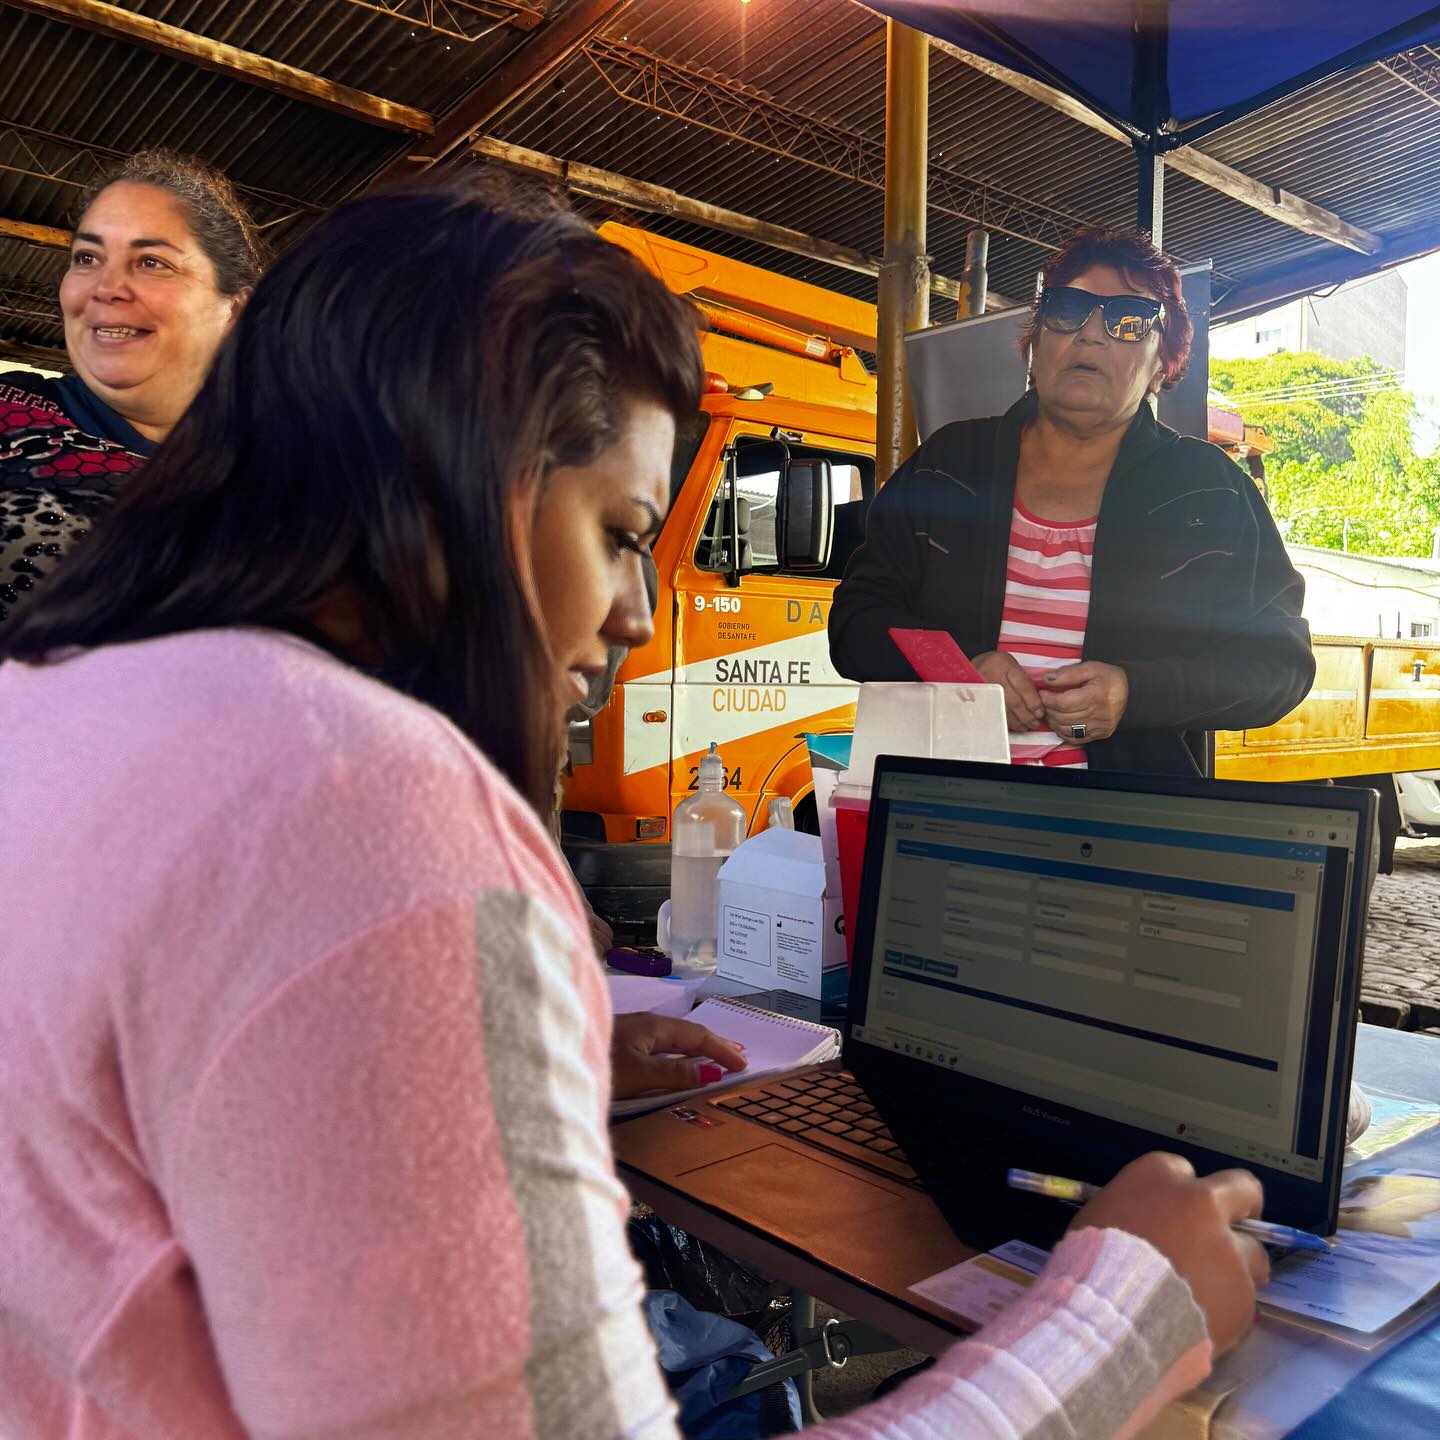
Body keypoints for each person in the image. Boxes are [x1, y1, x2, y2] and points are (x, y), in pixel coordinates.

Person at [0, 181, 1267, 1439]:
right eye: (620, 530)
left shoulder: (58, 694)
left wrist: (484, 1080)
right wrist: (1119, 1320)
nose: (637, 612)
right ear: (454, 476)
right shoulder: (375, 809)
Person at [829, 226, 1314, 776]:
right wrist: (958, 668)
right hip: (939, 802)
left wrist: (1134, 693)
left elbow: (1280, 665)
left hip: (1120, 817)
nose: (1090, 335)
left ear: (1162, 365)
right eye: (1067, 310)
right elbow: (855, 623)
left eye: (1128, 320)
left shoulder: (1210, 491)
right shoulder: (949, 464)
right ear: (1035, 345)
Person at [0, 148, 262, 629]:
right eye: (87, 257)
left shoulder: (286, 482)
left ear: (236, 310)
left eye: (152, 262)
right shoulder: (9, 417)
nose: (105, 287)